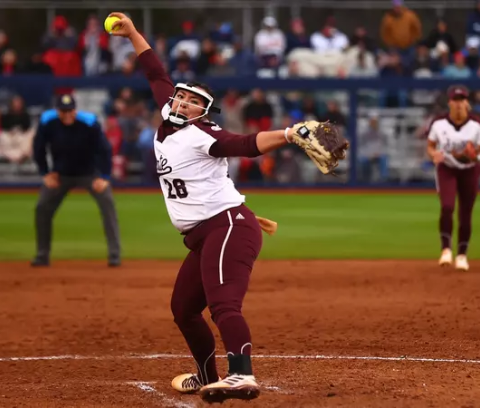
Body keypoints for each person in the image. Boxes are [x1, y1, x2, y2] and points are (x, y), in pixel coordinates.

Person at [106, 12, 329, 403]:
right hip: (206, 233)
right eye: (182, 96)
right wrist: (134, 34)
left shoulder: (200, 133)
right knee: (183, 309)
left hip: (226, 227)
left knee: (224, 303)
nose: (183, 102)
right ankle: (207, 375)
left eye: (194, 102)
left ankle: (241, 375)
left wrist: (290, 134)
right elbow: (156, 74)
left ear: (203, 112)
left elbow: (243, 144)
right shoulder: (167, 115)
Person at [31, 94, 120, 267]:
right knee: (42, 207)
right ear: (57, 111)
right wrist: (45, 173)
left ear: (75, 110)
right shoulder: (48, 122)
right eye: (63, 111)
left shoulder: (89, 122)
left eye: (70, 110)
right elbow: (38, 148)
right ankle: (42, 255)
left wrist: (104, 177)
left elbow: (105, 150)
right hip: (61, 174)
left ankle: (114, 255)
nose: (67, 115)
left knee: (108, 204)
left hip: (89, 173)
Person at [426, 85, 480, 270]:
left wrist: (474, 156)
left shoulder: (476, 125)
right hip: (447, 168)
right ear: (450, 102)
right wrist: (433, 154)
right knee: (447, 206)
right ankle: (446, 250)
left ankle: (462, 255)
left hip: (469, 169)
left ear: (467, 103)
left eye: (462, 100)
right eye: (456, 100)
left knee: (465, 212)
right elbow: (430, 145)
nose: (459, 104)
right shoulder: (439, 124)